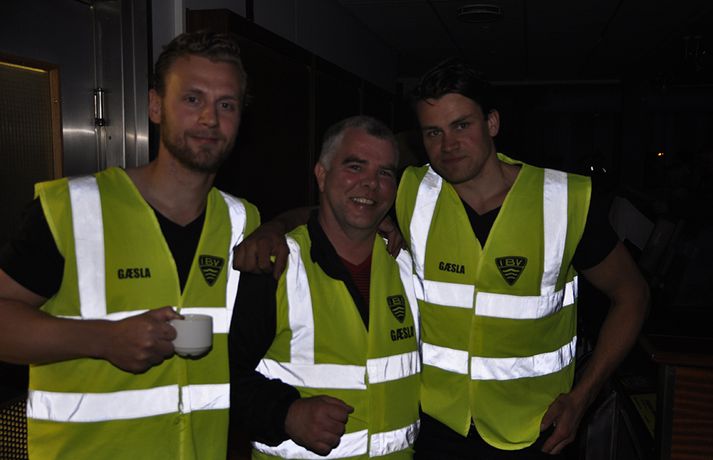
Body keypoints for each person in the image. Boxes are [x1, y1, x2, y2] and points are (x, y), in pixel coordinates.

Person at [232, 58, 650, 459]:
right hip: (435, 430)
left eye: (461, 125)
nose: (448, 145)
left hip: (536, 432)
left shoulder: (562, 202)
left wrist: (582, 397)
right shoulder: (411, 192)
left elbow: (632, 296)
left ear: (492, 123)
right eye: (433, 132)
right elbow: (337, 210)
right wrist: (273, 229)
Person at [0, 31, 260, 459]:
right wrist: (103, 340)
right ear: (155, 106)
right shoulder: (72, 209)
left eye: (226, 105)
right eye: (192, 99)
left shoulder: (242, 222)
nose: (210, 119)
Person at [229, 116, 421, 459]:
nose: (371, 184)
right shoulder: (276, 266)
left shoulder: (409, 266)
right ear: (321, 174)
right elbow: (219, 377)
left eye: (385, 173)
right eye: (355, 167)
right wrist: (285, 413)